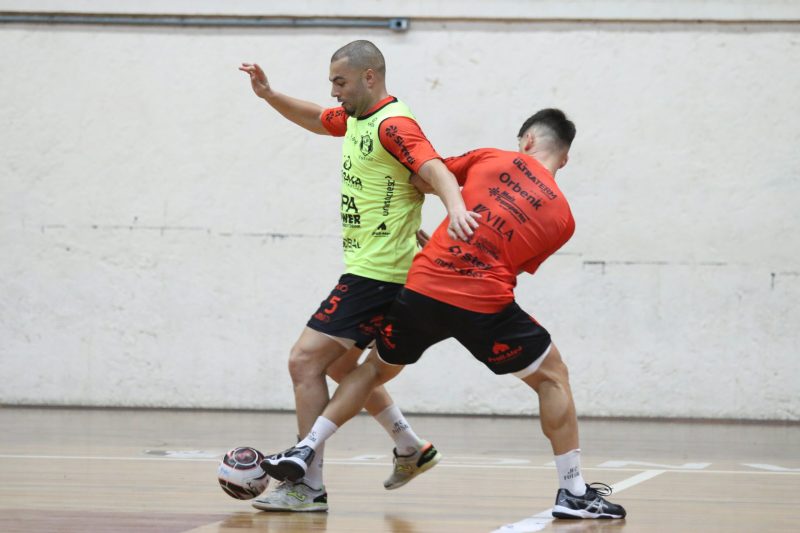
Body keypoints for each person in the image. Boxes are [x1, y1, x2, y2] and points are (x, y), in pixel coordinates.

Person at [260, 109, 627, 520]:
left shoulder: (491, 157)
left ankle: (307, 445)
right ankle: (573, 490)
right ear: (565, 159)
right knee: (551, 377)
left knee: (371, 370)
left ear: (525, 141)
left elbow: (424, 177)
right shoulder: (563, 220)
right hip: (484, 307)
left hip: (423, 289)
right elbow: (502, 258)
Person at [239, 40, 479, 512]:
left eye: (340, 82)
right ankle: (410, 447)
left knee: (304, 362)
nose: (333, 92)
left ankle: (306, 486)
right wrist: (270, 95)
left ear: (370, 77)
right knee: (339, 366)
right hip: (377, 269)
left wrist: (456, 210)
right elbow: (315, 119)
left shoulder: (394, 124)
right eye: (332, 82)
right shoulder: (355, 118)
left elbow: (434, 167)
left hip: (379, 274)